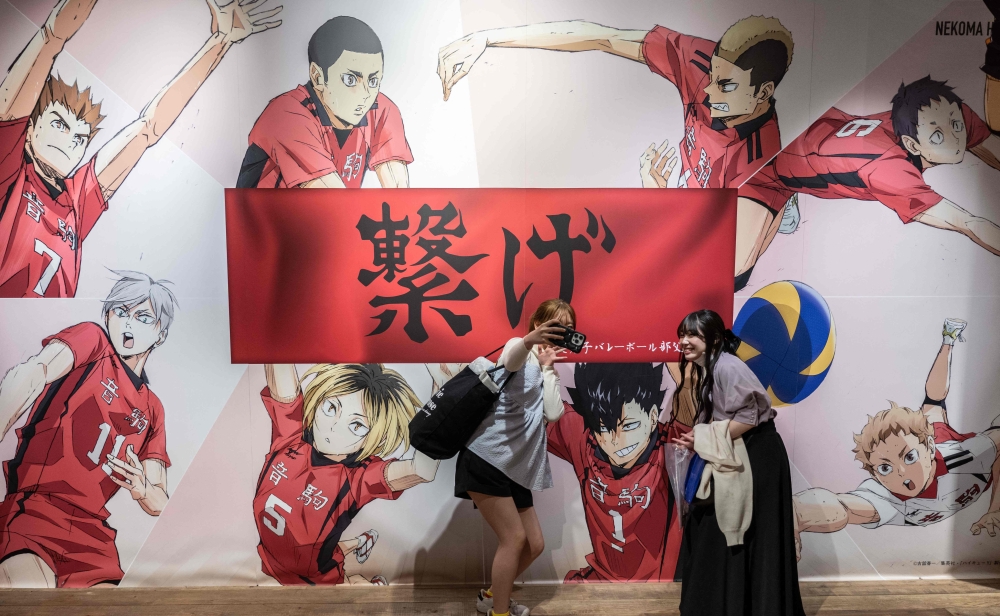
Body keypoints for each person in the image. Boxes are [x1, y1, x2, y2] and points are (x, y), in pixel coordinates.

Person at [0, 0, 282, 297]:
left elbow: (148, 127)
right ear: (30, 130)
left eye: (80, 138)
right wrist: (54, 33)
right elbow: (51, 39)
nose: (70, 141)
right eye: (59, 124)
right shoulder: (10, 168)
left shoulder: (77, 199)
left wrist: (220, 42)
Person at [437, 16, 792, 190]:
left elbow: (721, 263)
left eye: (725, 85)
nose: (709, 91)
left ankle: (783, 210)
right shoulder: (698, 61)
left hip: (718, 211)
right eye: (712, 76)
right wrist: (488, 38)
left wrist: (660, 199)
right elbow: (604, 38)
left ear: (762, 93)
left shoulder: (759, 159)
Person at [736, 77, 1000, 290]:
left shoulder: (941, 110)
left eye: (957, 126)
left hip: (818, 128)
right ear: (912, 145)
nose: (956, 138)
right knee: (737, 277)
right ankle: (786, 196)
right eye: (939, 137)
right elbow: (969, 223)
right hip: (768, 175)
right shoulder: (889, 170)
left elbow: (986, 143)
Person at [0, 270, 177, 587]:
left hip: (92, 533)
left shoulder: (152, 408)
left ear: (160, 334)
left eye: (142, 317)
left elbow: (160, 501)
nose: (128, 323)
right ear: (107, 315)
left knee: (104, 614)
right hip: (36, 509)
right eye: (120, 311)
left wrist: (141, 488)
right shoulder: (94, 341)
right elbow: (34, 372)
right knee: (32, 595)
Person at [793, 319, 1000, 543]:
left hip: (942, 441)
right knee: (931, 407)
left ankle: (948, 339)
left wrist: (995, 508)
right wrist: (795, 513)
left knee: (933, 406)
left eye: (909, 458)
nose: (901, 473)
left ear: (929, 449)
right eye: (885, 468)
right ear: (875, 476)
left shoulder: (966, 456)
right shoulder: (883, 497)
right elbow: (841, 506)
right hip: (928, 446)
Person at [670, 309, 806, 616]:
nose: (685, 341)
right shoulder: (710, 367)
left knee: (749, 536)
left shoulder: (727, 367)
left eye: (693, 335)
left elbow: (752, 415)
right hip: (740, 452)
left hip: (756, 457)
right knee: (715, 531)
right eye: (682, 334)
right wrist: (701, 437)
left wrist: (703, 438)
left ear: (714, 338)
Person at [256, 363, 439, 586]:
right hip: (271, 558)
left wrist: (442, 394)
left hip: (316, 579)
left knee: (358, 585)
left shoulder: (358, 478)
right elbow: (279, 367)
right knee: (317, 545)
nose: (334, 427)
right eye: (331, 407)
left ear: (375, 437)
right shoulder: (292, 437)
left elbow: (421, 470)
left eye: (357, 425)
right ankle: (362, 541)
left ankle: (368, 577)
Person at [455, 299, 573, 616]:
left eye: (567, 327)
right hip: (487, 458)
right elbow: (510, 360)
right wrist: (530, 341)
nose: (560, 332)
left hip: (515, 467)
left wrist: (549, 368)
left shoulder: (545, 365)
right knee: (514, 539)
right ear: (538, 323)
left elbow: (553, 414)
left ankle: (493, 597)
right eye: (554, 324)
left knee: (534, 543)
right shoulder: (517, 347)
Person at [545, 363, 689, 583]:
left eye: (629, 426)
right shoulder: (583, 439)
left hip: (661, 587)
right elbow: (543, 412)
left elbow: (687, 419)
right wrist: (545, 369)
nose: (616, 441)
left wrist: (685, 379)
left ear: (652, 417)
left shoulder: (669, 446)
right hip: (599, 582)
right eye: (604, 428)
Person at [238, 16, 412, 189]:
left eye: (373, 81)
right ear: (318, 77)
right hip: (267, 209)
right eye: (350, 80)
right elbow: (333, 200)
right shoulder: (286, 114)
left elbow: (398, 193)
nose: (365, 94)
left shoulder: (381, 108)